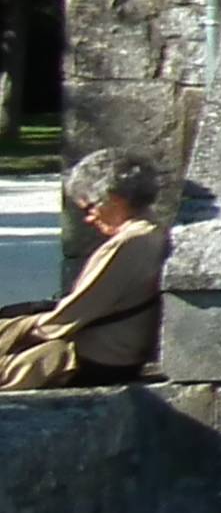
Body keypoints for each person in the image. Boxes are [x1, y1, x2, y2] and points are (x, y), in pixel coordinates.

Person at [0, 147, 170, 389]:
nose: (89, 218)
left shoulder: (129, 243)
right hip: (114, 352)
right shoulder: (153, 231)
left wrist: (22, 331)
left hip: (92, 358)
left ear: (114, 200)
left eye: (90, 207)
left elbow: (71, 315)